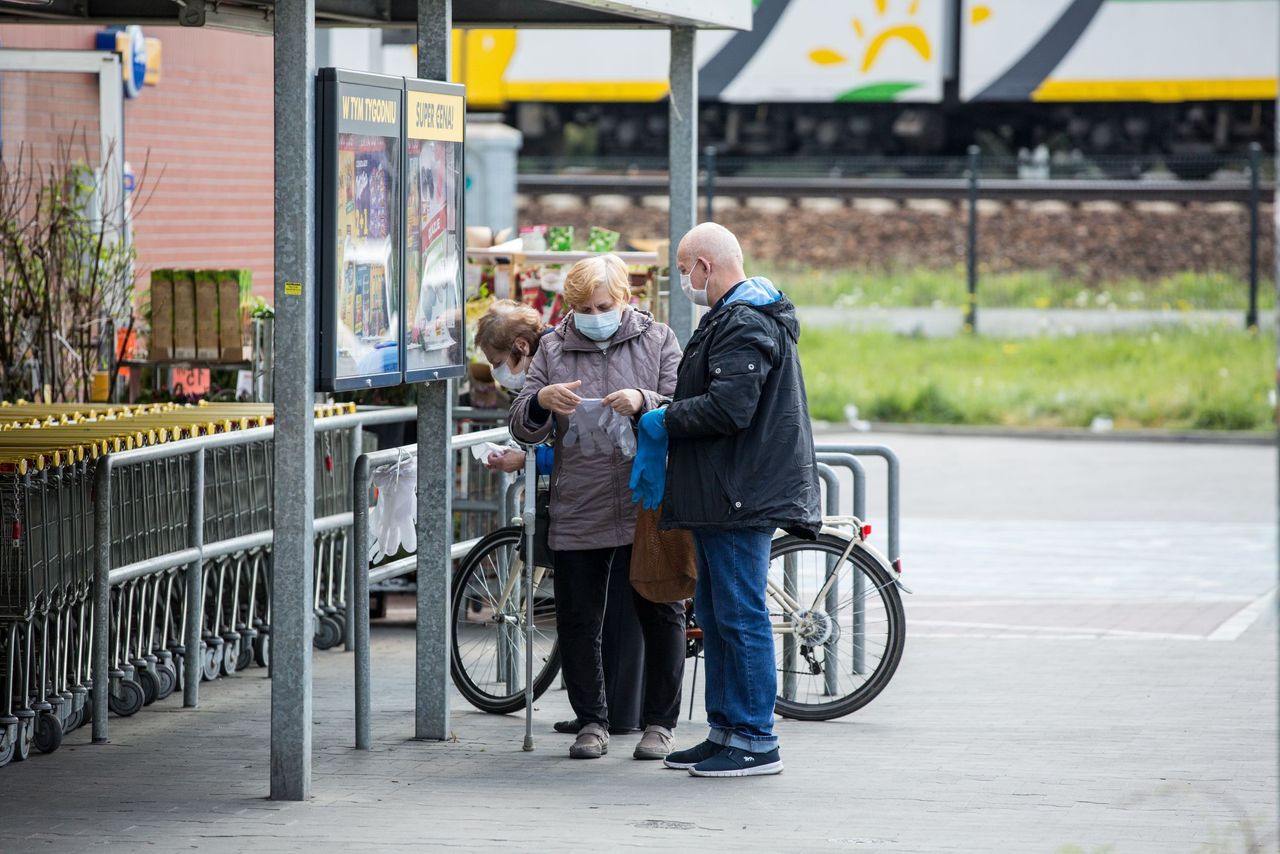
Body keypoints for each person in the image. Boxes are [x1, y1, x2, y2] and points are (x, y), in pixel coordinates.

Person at [646, 222, 820, 778]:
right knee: (720, 614)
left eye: (682, 270)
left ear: (705, 265)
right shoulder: (732, 317)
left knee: (740, 616)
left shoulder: (743, 321)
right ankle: (725, 731)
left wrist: (662, 418)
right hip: (725, 492)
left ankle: (754, 738)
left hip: (740, 494)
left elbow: (729, 408)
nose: (683, 281)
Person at [509, 254, 685, 760]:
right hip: (579, 500)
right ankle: (592, 722)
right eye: (583, 307)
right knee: (578, 618)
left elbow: (684, 406)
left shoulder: (659, 340)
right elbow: (521, 424)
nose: (594, 314)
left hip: (645, 500)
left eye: (604, 305)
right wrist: (542, 399)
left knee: (661, 609)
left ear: (626, 299)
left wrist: (643, 399)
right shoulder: (553, 346)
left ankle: (659, 725)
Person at [475, 298, 640, 734]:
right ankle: (598, 712)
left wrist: (526, 461)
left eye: (497, 362)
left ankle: (609, 714)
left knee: (590, 612)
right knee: (589, 614)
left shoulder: (556, 358)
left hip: (599, 503)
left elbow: (584, 442)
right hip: (598, 501)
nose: (497, 372)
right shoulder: (554, 354)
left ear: (521, 347)